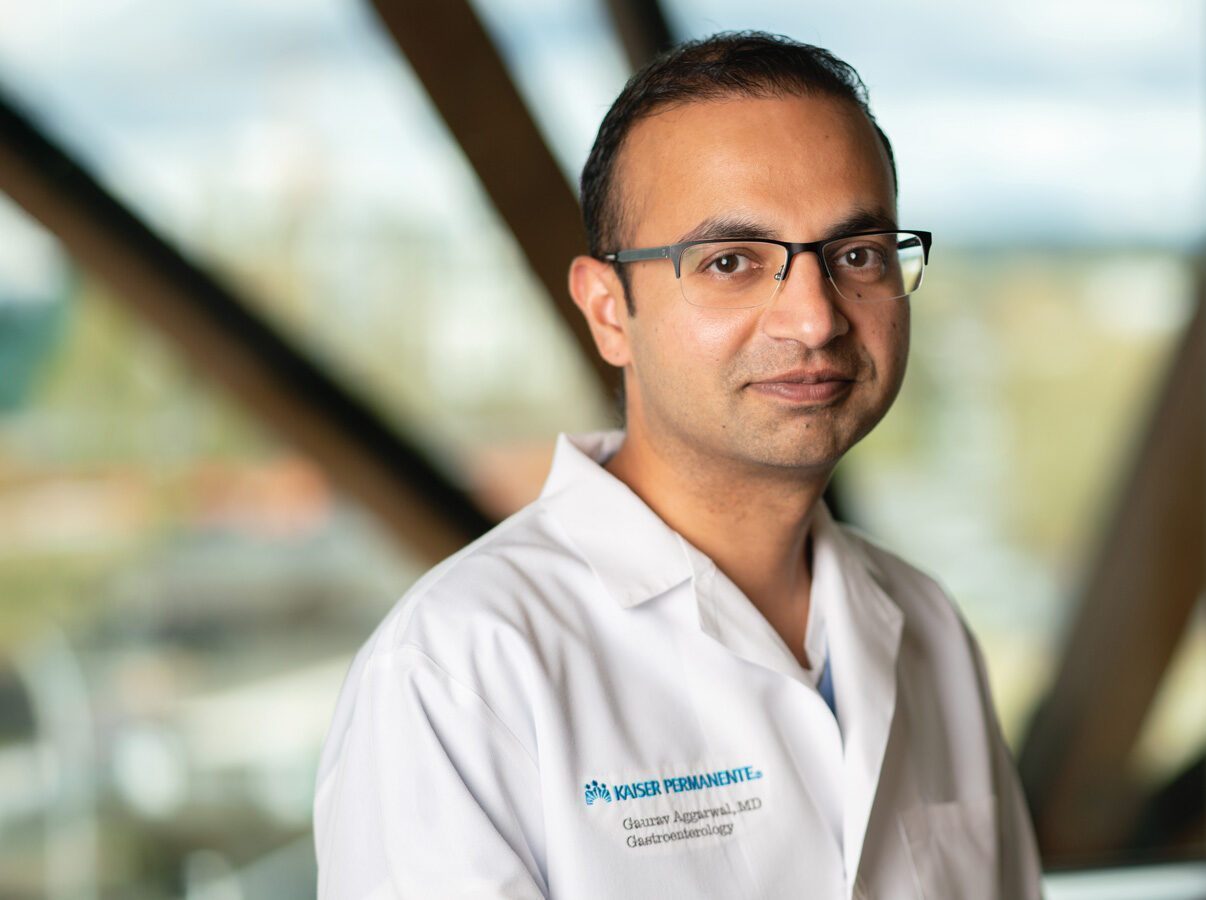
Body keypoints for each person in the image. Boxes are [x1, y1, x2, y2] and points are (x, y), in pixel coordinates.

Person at [313, 31, 1041, 899]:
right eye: (732, 261)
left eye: (856, 255)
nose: (813, 319)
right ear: (608, 310)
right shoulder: (458, 669)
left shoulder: (926, 625)